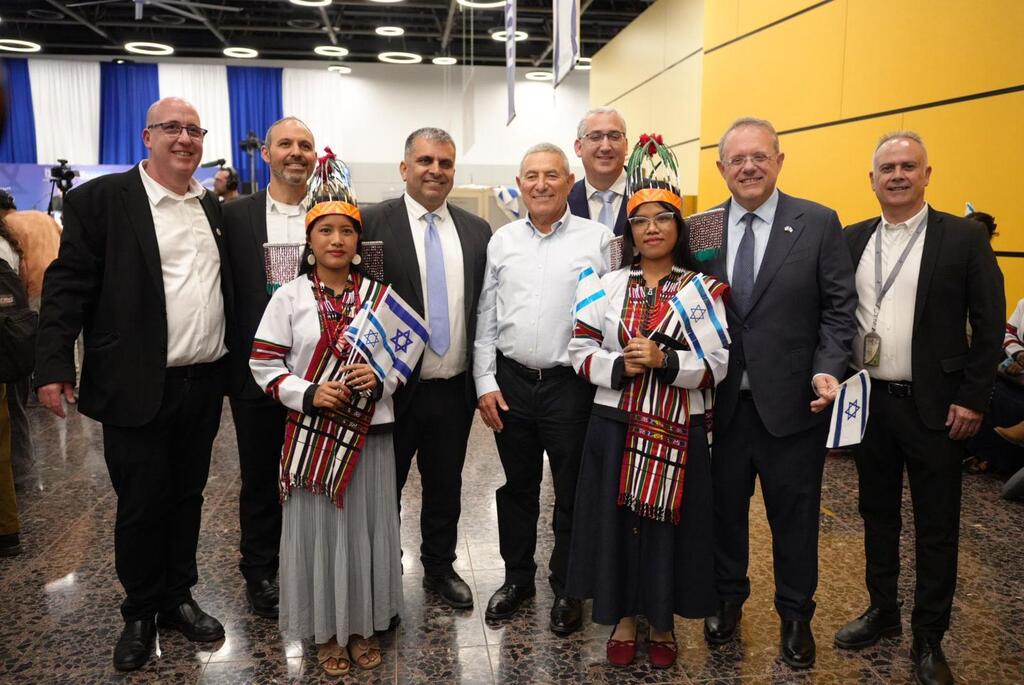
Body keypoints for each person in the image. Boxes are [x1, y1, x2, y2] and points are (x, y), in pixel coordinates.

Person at [33, 97, 232, 672]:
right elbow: (67, 286)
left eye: (194, 130)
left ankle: (178, 596)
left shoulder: (210, 206)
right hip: (135, 384)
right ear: (147, 137)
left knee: (188, 497)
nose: (185, 139)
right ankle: (141, 610)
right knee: (142, 504)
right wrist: (53, 365)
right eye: (172, 128)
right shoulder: (101, 201)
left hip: (202, 380)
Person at [835, 131, 1004, 685]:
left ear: (927, 174)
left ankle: (929, 637)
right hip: (870, 405)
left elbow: (989, 323)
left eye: (909, 166)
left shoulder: (962, 238)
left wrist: (973, 398)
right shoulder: (853, 238)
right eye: (888, 168)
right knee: (876, 515)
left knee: (936, 526)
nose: (898, 175)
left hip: (936, 408)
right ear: (872, 179)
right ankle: (882, 612)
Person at [249, 152, 414, 676]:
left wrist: (381, 380)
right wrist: (309, 392)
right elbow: (264, 364)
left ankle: (362, 624)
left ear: (359, 240)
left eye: (346, 230)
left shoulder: (380, 296)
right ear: (310, 239)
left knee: (368, 532)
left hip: (371, 435)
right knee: (322, 537)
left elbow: (404, 360)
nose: (337, 240)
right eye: (326, 230)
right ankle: (325, 631)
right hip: (312, 438)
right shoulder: (289, 297)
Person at [701, 117, 857, 668]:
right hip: (719, 406)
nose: (748, 167)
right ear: (721, 167)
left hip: (794, 406)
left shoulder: (818, 222)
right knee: (723, 514)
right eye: (737, 159)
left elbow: (839, 308)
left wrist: (828, 368)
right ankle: (727, 601)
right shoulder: (702, 229)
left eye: (759, 156)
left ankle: (795, 616)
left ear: (779, 161)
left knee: (795, 517)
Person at [566, 136, 728, 668]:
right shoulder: (605, 285)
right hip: (615, 422)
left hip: (680, 426)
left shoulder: (702, 291)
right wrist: (619, 365)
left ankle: (662, 621)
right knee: (616, 524)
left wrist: (666, 361)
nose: (651, 228)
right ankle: (624, 618)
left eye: (662, 218)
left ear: (679, 227)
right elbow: (579, 349)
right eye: (640, 220)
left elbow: (718, 365)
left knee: (667, 526)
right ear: (629, 231)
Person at [475, 142, 612, 635]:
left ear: (569, 182)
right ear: (519, 182)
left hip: (570, 385)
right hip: (511, 382)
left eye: (552, 175)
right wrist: (484, 381)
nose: (541, 184)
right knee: (518, 487)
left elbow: (612, 315)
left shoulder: (599, 240)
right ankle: (517, 579)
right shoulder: (503, 240)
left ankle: (568, 586)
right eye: (531, 175)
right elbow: (486, 315)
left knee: (572, 489)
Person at [361, 128, 491, 610]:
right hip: (392, 390)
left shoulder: (477, 231)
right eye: (425, 161)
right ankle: (383, 568)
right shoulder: (371, 223)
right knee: (383, 487)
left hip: (453, 387)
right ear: (404, 168)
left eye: (445, 163)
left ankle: (439, 566)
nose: (435, 170)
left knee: (445, 485)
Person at [222, 116, 317, 619]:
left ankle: (311, 564)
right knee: (260, 477)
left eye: (305, 145)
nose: (295, 152)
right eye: (286, 144)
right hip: (256, 375)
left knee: (315, 475)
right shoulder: (234, 216)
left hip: (320, 377)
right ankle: (260, 570)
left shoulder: (331, 211)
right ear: (267, 153)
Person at [568, 107, 629, 236]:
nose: (605, 147)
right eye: (595, 137)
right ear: (579, 147)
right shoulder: (564, 201)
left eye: (614, 136)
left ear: (626, 146)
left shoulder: (653, 193)